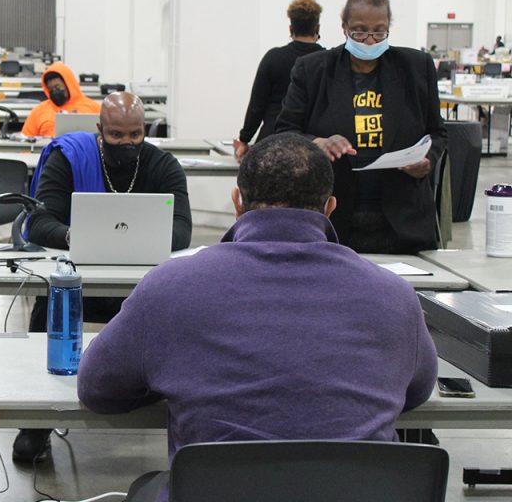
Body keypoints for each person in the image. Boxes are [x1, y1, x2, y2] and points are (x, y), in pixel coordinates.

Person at [77, 134, 438, 502]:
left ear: (237, 202)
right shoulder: (395, 295)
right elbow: (417, 391)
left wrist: (171, 375)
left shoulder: (170, 287)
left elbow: (98, 389)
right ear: (330, 207)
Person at [11, 91, 193, 463]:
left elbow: (182, 229)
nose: (127, 144)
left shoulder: (163, 165)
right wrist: (76, 236)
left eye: (136, 135)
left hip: (145, 287)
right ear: (100, 130)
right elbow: (39, 221)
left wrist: (136, 239)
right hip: (81, 281)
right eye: (116, 136)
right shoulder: (70, 159)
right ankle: (35, 422)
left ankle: (178, 417)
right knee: (52, 299)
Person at [276, 0, 447, 255]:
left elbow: (437, 132)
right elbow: (284, 133)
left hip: (403, 220)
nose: (369, 40)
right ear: (344, 26)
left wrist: (427, 162)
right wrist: (316, 142)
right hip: (333, 218)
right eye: (359, 32)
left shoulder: (416, 67)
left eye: (379, 33)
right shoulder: (313, 70)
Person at [235, 0, 324, 160]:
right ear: (317, 27)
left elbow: (257, 105)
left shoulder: (273, 57)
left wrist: (245, 140)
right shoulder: (325, 61)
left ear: (291, 28)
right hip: (310, 148)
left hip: (271, 143)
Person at [20, 61, 101, 138]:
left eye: (57, 87)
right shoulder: (39, 111)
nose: (54, 91)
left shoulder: (94, 108)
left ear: (68, 84)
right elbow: (24, 140)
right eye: (50, 89)